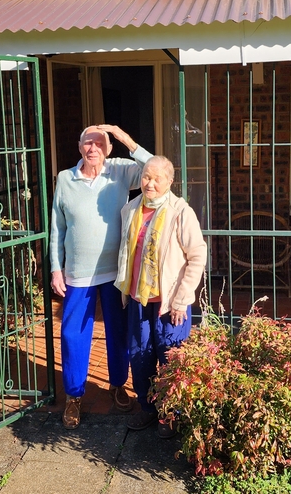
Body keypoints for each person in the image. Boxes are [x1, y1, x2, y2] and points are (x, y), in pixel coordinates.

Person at [49, 124, 151, 429]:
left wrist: (124, 137)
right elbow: (58, 227)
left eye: (99, 143)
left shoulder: (120, 170)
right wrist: (56, 267)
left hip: (115, 272)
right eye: (86, 143)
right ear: (80, 147)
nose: (92, 148)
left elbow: (155, 168)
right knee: (72, 335)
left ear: (107, 149)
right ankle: (74, 396)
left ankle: (118, 384)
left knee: (118, 332)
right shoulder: (65, 179)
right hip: (79, 273)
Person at [115, 156, 207, 438]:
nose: (150, 183)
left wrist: (182, 298)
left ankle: (172, 414)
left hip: (170, 303)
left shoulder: (181, 211)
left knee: (171, 357)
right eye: (146, 177)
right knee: (140, 356)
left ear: (169, 181)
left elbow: (197, 256)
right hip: (139, 299)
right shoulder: (130, 209)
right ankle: (147, 408)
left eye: (157, 178)